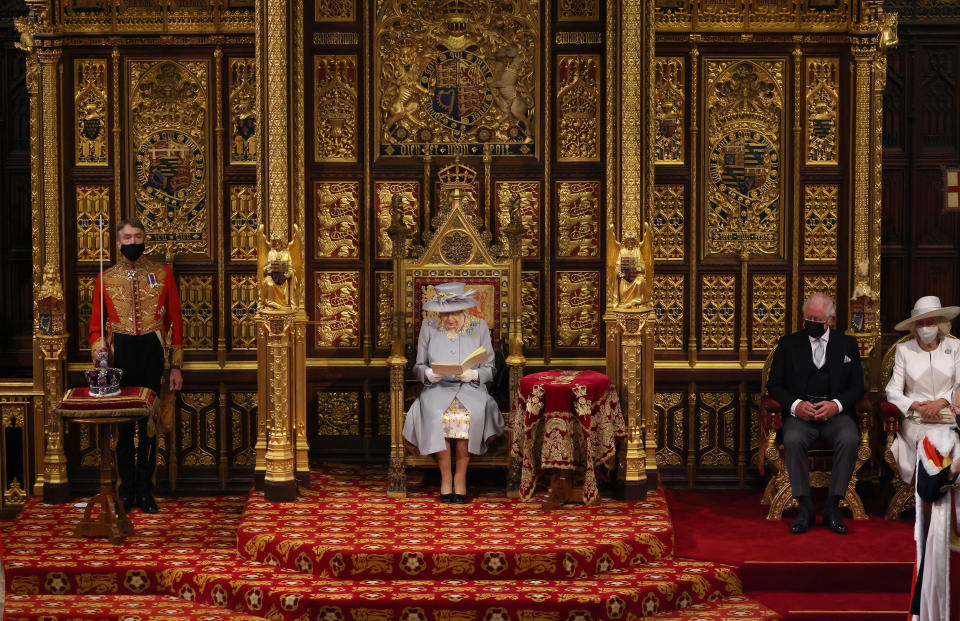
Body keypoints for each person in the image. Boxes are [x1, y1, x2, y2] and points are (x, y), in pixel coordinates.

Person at [89, 218, 183, 514]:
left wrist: (177, 366)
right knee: (123, 426)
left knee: (149, 426)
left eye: (137, 237)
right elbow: (95, 328)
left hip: (152, 352)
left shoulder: (162, 273)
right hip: (122, 355)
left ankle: (146, 491)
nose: (132, 242)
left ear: (145, 239)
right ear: (118, 244)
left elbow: (175, 322)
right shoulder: (105, 279)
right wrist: (100, 348)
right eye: (127, 238)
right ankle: (125, 490)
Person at [766, 292, 865, 534]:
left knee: (850, 438)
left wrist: (837, 405)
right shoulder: (788, 344)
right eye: (808, 318)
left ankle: (833, 506)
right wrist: (796, 405)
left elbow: (857, 387)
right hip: (802, 415)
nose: (812, 323)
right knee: (792, 439)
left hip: (835, 414)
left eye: (817, 319)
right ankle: (805, 507)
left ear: (829, 320)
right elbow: (774, 385)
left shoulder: (847, 344)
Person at [402, 282, 504, 504]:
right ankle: (446, 476)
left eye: (455, 313)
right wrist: (428, 374)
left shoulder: (479, 326)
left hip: (471, 389)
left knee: (467, 417)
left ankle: (460, 477)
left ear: (465, 309)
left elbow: (490, 369)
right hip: (437, 389)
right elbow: (418, 366)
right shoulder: (428, 327)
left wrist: (474, 376)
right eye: (445, 314)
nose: (450, 319)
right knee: (437, 416)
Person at [886, 296, 960, 484]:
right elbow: (892, 391)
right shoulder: (904, 350)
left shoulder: (955, 346)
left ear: (940, 324)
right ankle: (938, 493)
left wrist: (942, 401)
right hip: (916, 419)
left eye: (930, 322)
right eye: (921, 323)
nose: (925, 327)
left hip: (950, 413)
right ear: (914, 326)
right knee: (934, 440)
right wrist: (917, 406)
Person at [909, 413, 960, 621]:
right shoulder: (936, 443)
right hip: (947, 540)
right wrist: (953, 469)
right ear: (954, 410)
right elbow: (927, 491)